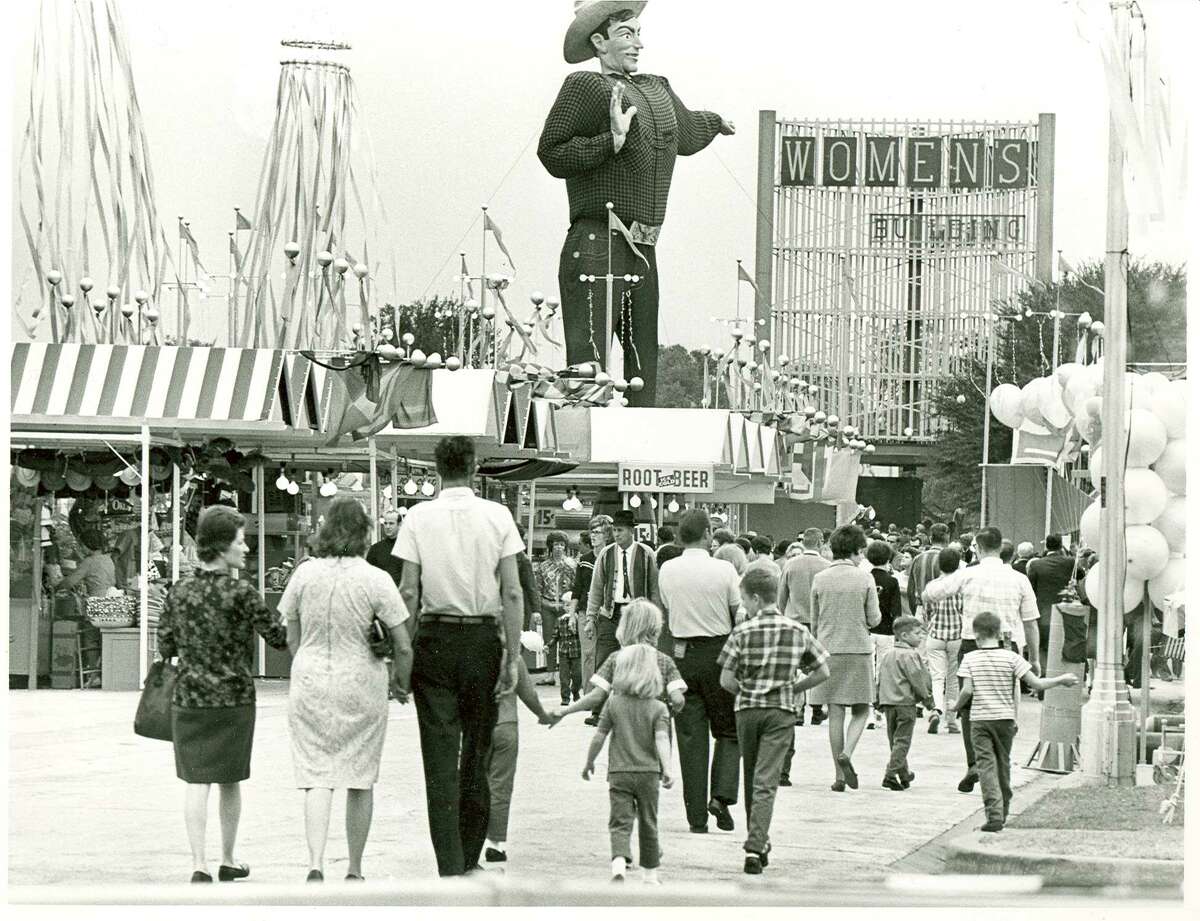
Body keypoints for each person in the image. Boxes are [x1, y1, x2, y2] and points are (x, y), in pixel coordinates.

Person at [539, 2, 735, 407]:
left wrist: (715, 121)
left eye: (638, 33)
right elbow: (552, 152)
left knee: (643, 373)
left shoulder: (657, 89)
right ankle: (586, 457)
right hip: (598, 241)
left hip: (644, 248)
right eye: (626, 34)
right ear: (599, 41)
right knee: (588, 377)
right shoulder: (585, 87)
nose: (638, 44)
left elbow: (688, 132)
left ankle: (635, 455)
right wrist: (609, 141)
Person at [392, 436, 524, 877]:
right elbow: (511, 589)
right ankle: (470, 851)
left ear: (436, 469)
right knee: (478, 749)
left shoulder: (417, 517)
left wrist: (403, 655)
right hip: (482, 641)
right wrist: (511, 655)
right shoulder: (498, 516)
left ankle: (448, 858)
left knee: (439, 753)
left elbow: (408, 590)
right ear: (474, 467)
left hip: (433, 639)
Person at [279, 498, 413, 883]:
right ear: (364, 533)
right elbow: (402, 643)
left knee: (317, 775)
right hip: (362, 681)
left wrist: (308, 661)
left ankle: (316, 864)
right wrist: (400, 683)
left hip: (310, 679)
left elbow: (291, 636)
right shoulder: (376, 579)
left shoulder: (303, 575)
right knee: (360, 775)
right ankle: (354, 868)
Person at [156, 505, 289, 883]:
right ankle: (229, 857)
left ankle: (198, 863)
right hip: (234, 700)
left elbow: (165, 645)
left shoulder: (179, 592)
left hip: (191, 698)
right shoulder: (242, 593)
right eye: (241, 541)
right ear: (221, 546)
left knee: (197, 782)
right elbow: (277, 639)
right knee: (231, 780)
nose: (246, 548)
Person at [718, 568, 830, 874]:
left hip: (747, 710)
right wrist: (794, 688)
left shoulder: (741, 631)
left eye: (744, 599)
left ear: (755, 598)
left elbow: (726, 679)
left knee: (751, 775)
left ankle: (757, 839)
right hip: (780, 712)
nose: (743, 606)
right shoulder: (797, 631)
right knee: (766, 781)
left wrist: (748, 691)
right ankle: (756, 845)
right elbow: (822, 671)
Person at [923, 526, 1040, 795]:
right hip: (1007, 644)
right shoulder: (1019, 579)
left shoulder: (968, 574)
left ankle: (974, 761)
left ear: (977, 546)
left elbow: (934, 593)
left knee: (970, 704)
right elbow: (1031, 622)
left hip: (972, 643)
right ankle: (1000, 763)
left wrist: (937, 582)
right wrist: (1034, 658)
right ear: (1001, 547)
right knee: (1005, 703)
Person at [950, 611, 1080, 831]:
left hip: (980, 721)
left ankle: (994, 814)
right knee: (1003, 766)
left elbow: (967, 691)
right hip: (1005, 720)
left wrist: (954, 706)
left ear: (976, 635)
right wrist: (1061, 680)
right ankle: (1005, 810)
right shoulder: (1012, 658)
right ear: (999, 633)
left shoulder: (969, 659)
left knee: (986, 766)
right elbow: (1037, 684)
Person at [658, 509, 742, 833]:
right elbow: (738, 613)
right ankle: (721, 796)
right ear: (709, 534)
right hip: (720, 654)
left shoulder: (667, 568)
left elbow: (665, 609)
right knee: (728, 730)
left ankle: (696, 819)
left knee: (690, 739)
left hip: (681, 655)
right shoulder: (724, 569)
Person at [580, 644, 673, 884]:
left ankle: (619, 866)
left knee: (620, 822)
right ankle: (650, 876)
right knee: (648, 822)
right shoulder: (659, 708)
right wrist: (668, 768)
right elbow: (662, 739)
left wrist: (589, 762)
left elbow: (599, 736)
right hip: (649, 774)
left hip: (619, 772)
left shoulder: (613, 704)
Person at [809, 525, 881, 792]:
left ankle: (838, 775)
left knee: (835, 711)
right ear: (856, 550)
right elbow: (874, 619)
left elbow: (814, 623)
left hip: (828, 649)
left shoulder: (820, 578)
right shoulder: (865, 579)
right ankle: (848, 753)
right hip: (858, 648)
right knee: (862, 708)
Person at [554, 598, 686, 721]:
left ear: (623, 627)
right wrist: (666, 714)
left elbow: (596, 696)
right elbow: (678, 700)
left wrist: (565, 712)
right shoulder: (664, 661)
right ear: (656, 629)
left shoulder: (615, 659)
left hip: (623, 735)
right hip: (656, 732)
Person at [586, 509, 659, 723]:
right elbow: (597, 587)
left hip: (637, 615)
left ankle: (637, 709)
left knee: (637, 660)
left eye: (620, 531)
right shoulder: (606, 554)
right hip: (611, 612)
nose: (616, 535)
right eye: (614, 531)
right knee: (603, 660)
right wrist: (591, 618)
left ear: (631, 531)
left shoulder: (646, 554)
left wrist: (654, 617)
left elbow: (654, 587)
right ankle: (598, 711)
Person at [484, 656, 557, 868]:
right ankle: (495, 845)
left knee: (474, 784)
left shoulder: (472, 647)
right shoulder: (513, 656)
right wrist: (542, 715)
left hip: (477, 725)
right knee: (500, 786)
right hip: (506, 725)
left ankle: (470, 840)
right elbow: (528, 693)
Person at [777, 527, 830, 728]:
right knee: (817, 665)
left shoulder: (790, 565)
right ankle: (817, 710)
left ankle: (798, 710)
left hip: (794, 621)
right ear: (820, 542)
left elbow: (781, 598)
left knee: (795, 667)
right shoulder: (827, 566)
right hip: (819, 622)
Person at [876, 616, 935, 791]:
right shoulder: (911, 656)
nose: (921, 637)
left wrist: (878, 699)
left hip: (888, 703)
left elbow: (880, 679)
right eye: (917, 633)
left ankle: (904, 773)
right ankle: (890, 774)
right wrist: (928, 700)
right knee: (902, 740)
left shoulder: (888, 655)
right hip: (905, 704)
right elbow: (918, 679)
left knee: (894, 740)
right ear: (903, 635)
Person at [54, 527, 118, 687]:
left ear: (88, 544)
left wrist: (57, 585)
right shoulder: (107, 559)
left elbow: (70, 582)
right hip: (111, 602)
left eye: (82, 545)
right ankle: (102, 672)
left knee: (90, 636)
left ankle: (93, 673)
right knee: (102, 636)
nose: (80, 548)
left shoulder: (89, 562)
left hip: (96, 603)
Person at [574, 515, 614, 713]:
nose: (593, 536)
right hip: (585, 611)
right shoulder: (584, 560)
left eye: (597, 532)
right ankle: (589, 696)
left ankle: (603, 696)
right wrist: (572, 612)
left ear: (607, 534)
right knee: (588, 654)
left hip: (607, 612)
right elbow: (577, 588)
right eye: (592, 532)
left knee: (604, 654)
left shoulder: (611, 557)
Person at [923, 547, 964, 736]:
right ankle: (952, 719)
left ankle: (937, 709)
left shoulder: (932, 586)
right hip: (957, 635)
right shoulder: (962, 586)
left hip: (935, 635)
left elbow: (926, 611)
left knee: (937, 677)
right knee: (953, 679)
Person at [1025, 535, 1076, 678]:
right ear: (1061, 546)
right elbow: (1080, 575)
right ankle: (1060, 677)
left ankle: (1043, 676)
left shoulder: (1036, 565)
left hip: (1042, 611)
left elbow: (1031, 589)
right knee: (1061, 645)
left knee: (1041, 646)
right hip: (1065, 610)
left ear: (1046, 546)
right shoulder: (1070, 562)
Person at [866, 540, 902, 730]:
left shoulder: (865, 577)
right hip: (887, 631)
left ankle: (869, 711)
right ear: (888, 558)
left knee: (868, 670)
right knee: (882, 670)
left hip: (868, 630)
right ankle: (879, 708)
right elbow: (897, 611)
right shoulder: (892, 581)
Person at [536, 530, 577, 686]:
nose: (559, 548)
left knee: (569, 641)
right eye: (556, 544)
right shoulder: (543, 566)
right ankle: (550, 674)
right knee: (549, 640)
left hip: (566, 606)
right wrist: (539, 608)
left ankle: (568, 674)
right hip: (548, 605)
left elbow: (575, 587)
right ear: (550, 547)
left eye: (562, 544)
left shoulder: (572, 564)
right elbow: (538, 588)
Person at [365, 509, 404, 585]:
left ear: (399, 524)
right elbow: (368, 576)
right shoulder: (376, 549)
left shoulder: (407, 547)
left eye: (391, 523)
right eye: (385, 523)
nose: (387, 526)